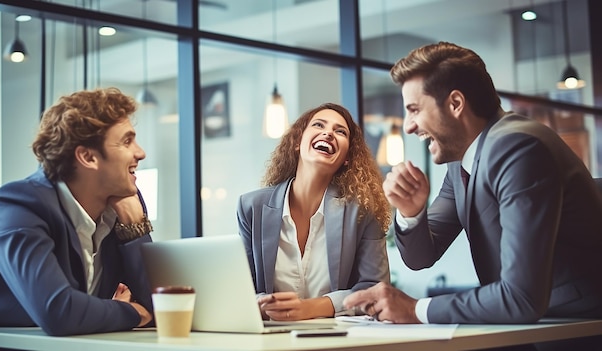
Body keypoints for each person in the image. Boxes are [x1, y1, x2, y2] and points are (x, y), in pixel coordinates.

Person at [343, 42, 602, 326]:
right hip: (533, 325)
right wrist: (411, 212)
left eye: (414, 110)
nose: (408, 126)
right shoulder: (463, 163)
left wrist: (414, 309)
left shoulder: (517, 148)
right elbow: (421, 258)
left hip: (577, 327)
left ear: (455, 104)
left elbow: (521, 298)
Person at [0, 87, 154, 336]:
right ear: (88, 157)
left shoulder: (124, 204)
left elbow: (160, 306)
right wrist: (130, 312)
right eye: (127, 141)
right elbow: (60, 312)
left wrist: (136, 230)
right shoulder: (19, 205)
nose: (141, 152)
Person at [237, 102, 392, 321]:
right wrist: (263, 305)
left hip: (338, 341)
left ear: (347, 157)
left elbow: (375, 289)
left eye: (340, 131)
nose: (328, 133)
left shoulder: (363, 211)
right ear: (297, 142)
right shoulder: (251, 207)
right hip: (271, 338)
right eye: (319, 125)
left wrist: (311, 308)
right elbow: (243, 288)